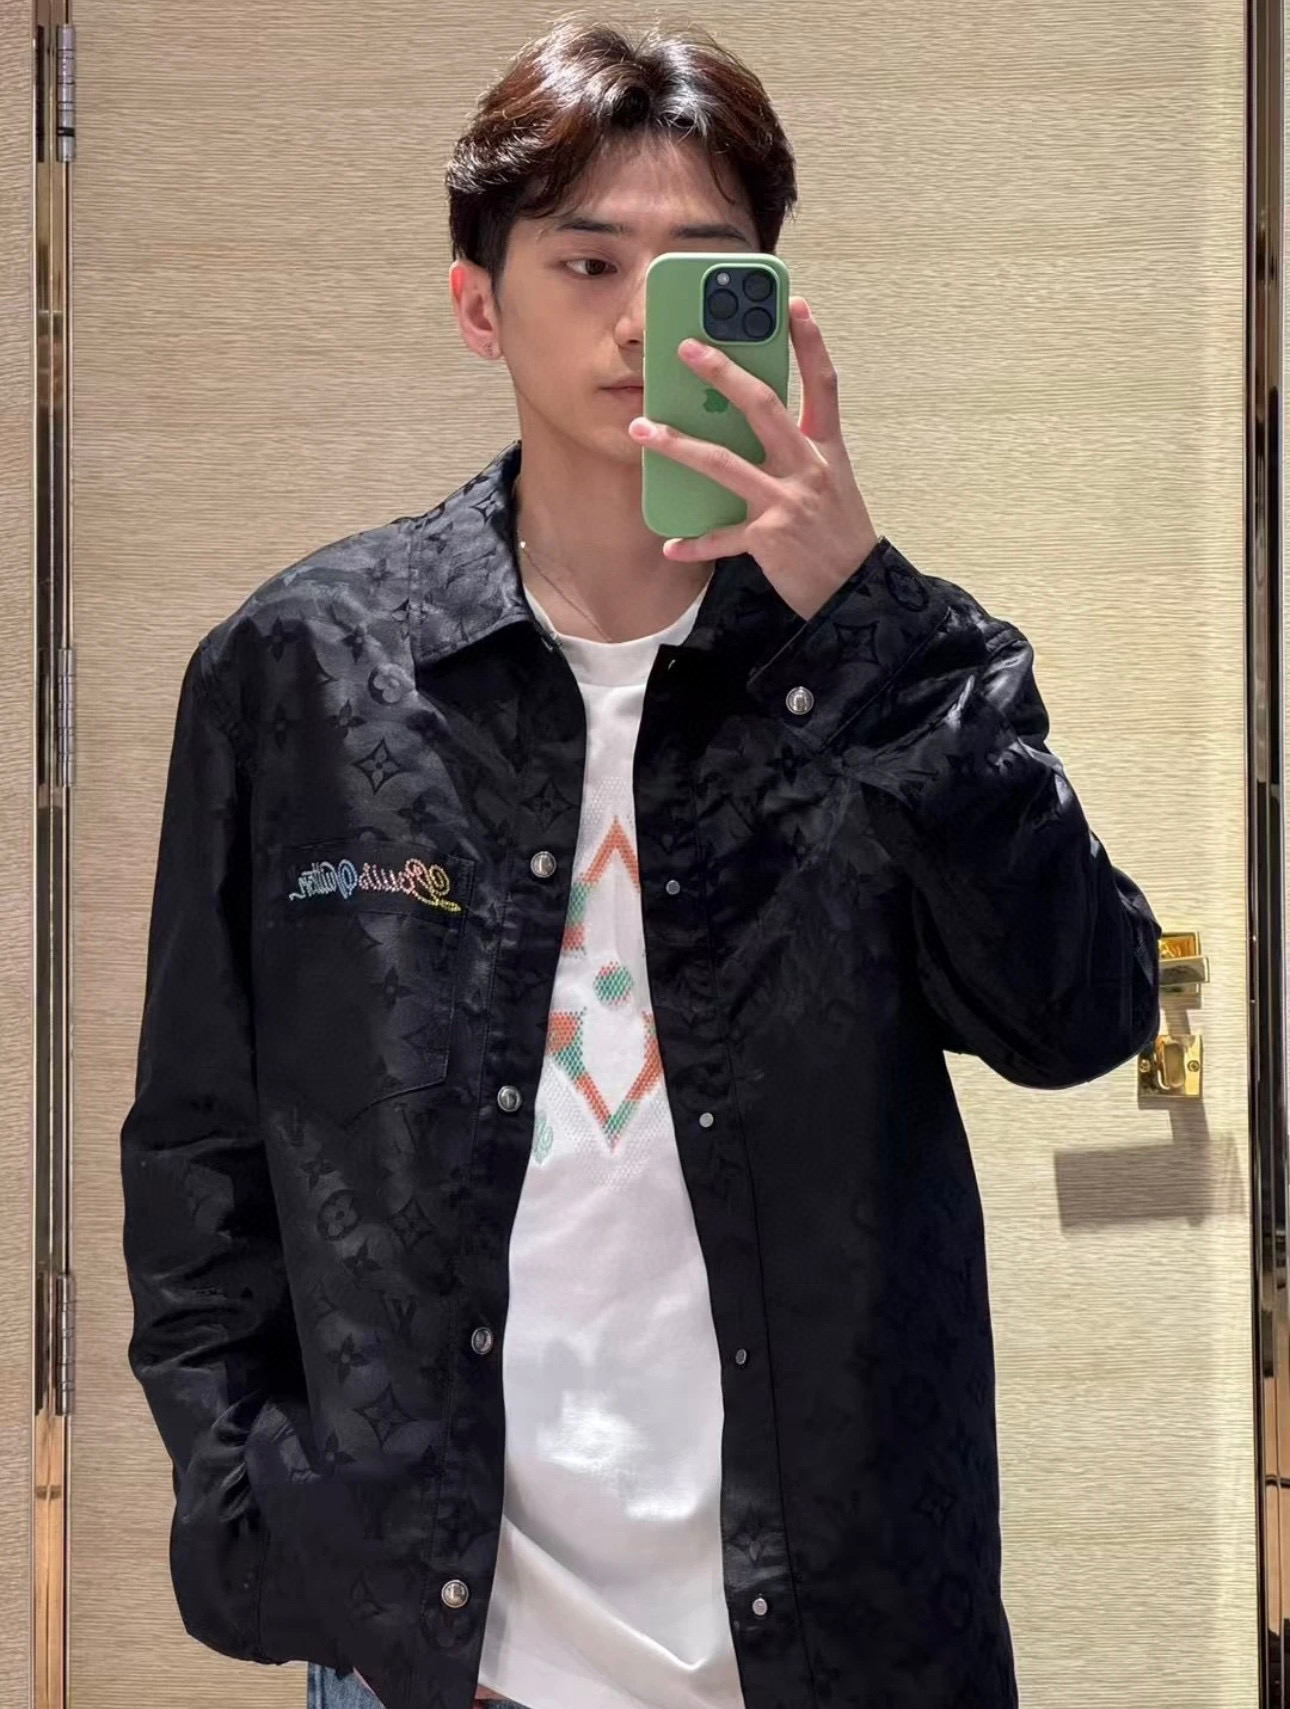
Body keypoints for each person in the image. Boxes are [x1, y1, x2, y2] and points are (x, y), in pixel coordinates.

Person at [119, 18, 1163, 1709]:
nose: (636, 322)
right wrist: (264, 1514)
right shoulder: (307, 672)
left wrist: (862, 622)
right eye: (586, 261)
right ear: (479, 305)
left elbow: (1079, 1013)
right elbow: (198, 1145)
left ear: (772, 301)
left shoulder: (899, 661)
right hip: (430, 1653)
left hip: (839, 1639)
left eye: (697, 274)